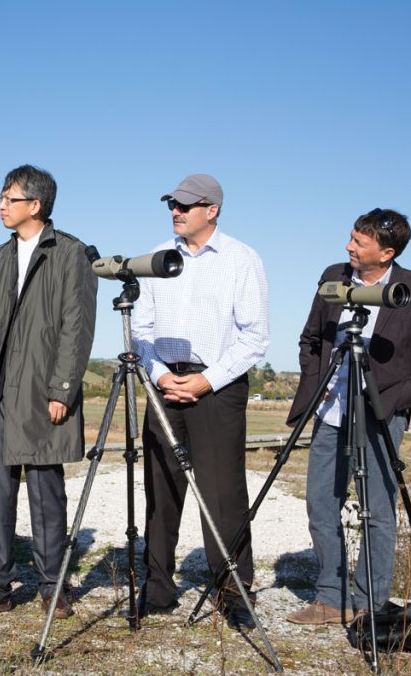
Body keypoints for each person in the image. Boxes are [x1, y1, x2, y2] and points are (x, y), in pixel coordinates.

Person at [285, 208, 411, 625]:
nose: (349, 247)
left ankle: (369, 604)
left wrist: (390, 400)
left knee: (376, 512)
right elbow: (311, 340)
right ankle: (331, 597)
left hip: (381, 416)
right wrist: (316, 381)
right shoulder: (334, 275)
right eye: (351, 238)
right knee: (321, 505)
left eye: (360, 243)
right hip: (331, 412)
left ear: (387, 252)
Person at [131, 173, 269, 628]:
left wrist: (206, 381)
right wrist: (161, 374)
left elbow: (255, 337)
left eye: (187, 205)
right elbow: (141, 330)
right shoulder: (155, 258)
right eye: (173, 203)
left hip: (219, 388)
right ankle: (158, 589)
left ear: (212, 210)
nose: (177, 210)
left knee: (223, 492)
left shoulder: (242, 260)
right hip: (165, 383)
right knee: (161, 490)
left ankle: (233, 593)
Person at [0, 165, 97, 619]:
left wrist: (62, 389)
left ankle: (52, 588)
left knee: (45, 496)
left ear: (34, 205)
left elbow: (76, 329)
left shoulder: (71, 253)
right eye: (0, 197)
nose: (1, 204)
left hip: (43, 394)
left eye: (9, 198)